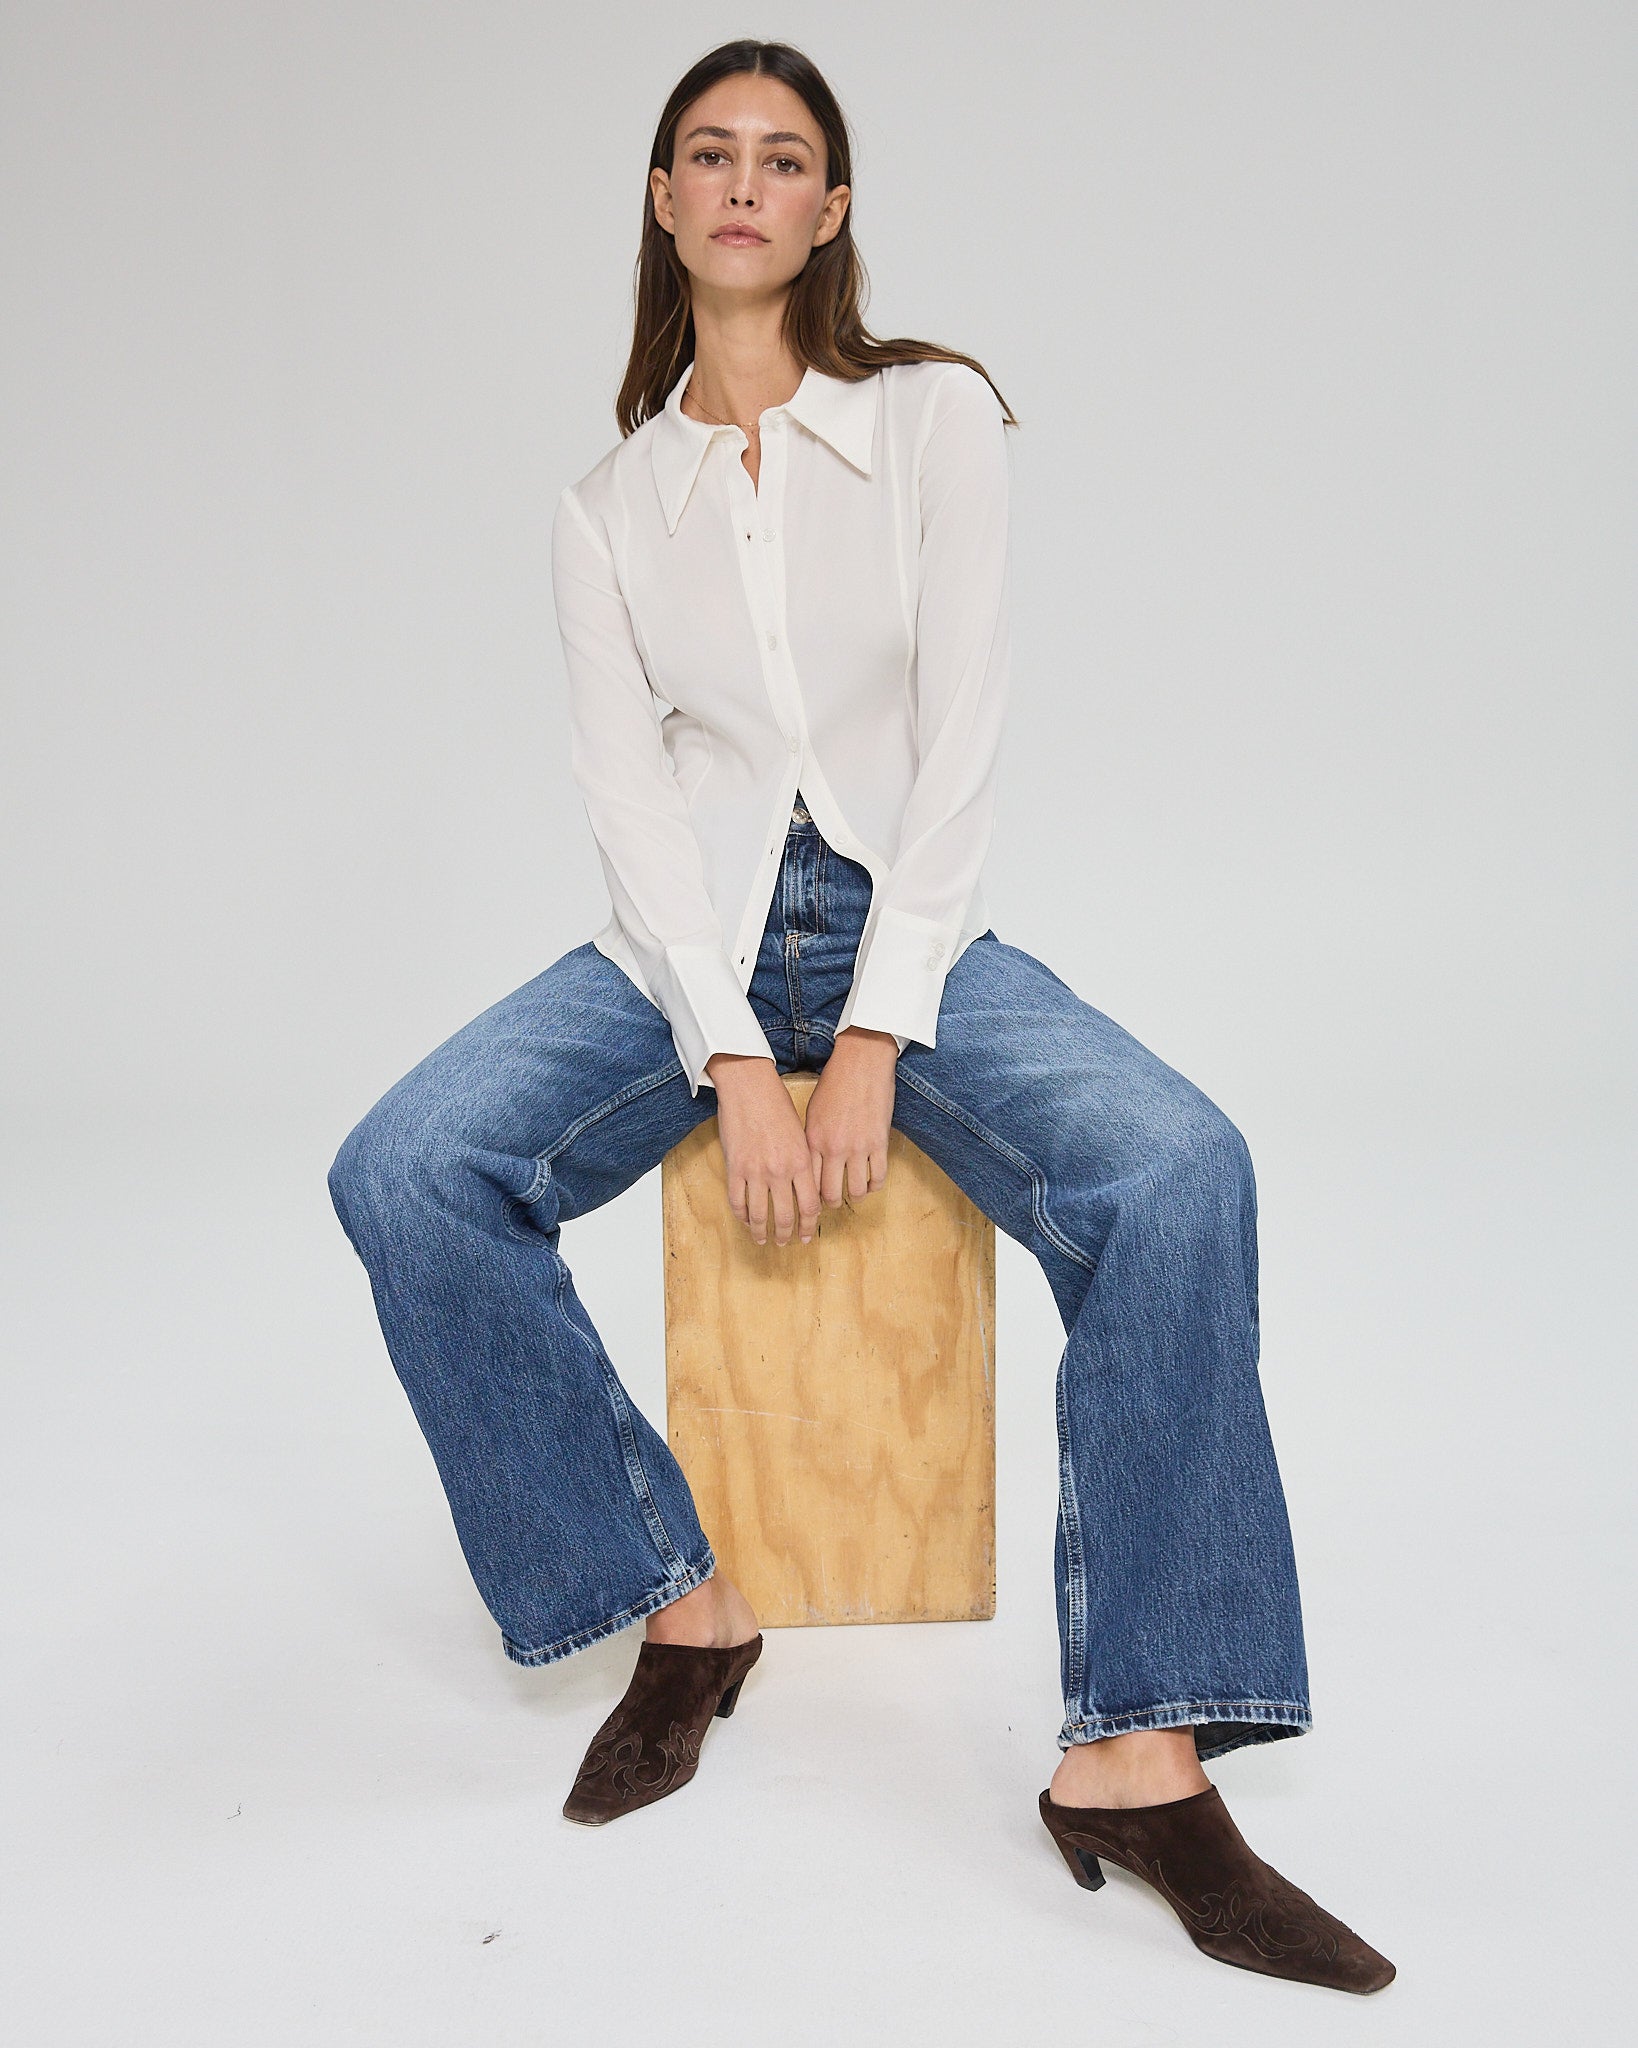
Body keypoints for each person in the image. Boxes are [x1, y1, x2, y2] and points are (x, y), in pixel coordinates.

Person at [326, 38, 1394, 1995]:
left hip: (910, 923)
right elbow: (635, 801)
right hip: (692, 945)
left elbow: (963, 745)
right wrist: (732, 1046)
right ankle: (687, 1596)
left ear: (831, 210)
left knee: (1183, 1173)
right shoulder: (605, 507)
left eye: (785, 157)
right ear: (664, 202)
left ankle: (1136, 1755)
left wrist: (878, 1031)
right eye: (706, 154)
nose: (743, 182)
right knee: (405, 1168)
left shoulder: (933, 425)